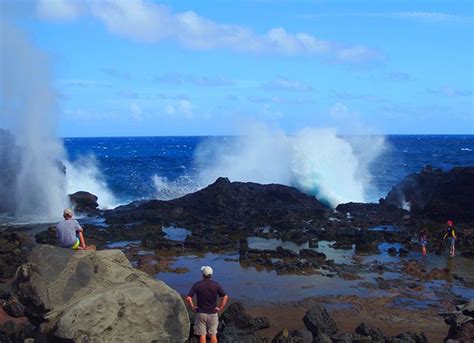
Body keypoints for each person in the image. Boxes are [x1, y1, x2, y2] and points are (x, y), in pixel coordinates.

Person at [186, 266, 228, 343]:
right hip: (213, 313)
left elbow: (188, 298)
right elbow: (225, 297)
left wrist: (192, 307)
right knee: (213, 334)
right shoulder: (216, 285)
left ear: (202, 274)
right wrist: (220, 307)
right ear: (211, 275)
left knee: (202, 334)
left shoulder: (197, 284)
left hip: (201, 312)